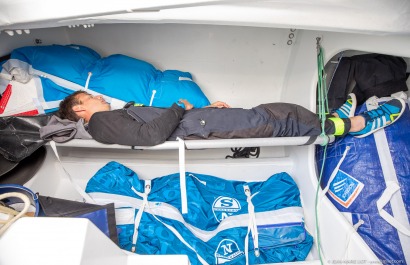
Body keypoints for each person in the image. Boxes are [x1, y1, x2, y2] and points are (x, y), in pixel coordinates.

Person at [57, 91, 406, 146]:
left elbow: (153, 125)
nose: (98, 97)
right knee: (280, 118)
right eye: (90, 97)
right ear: (79, 109)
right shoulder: (99, 124)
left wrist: (202, 111)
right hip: (200, 127)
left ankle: (329, 120)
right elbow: (150, 136)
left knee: (279, 112)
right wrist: (181, 107)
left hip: (202, 121)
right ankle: (354, 126)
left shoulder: (112, 116)